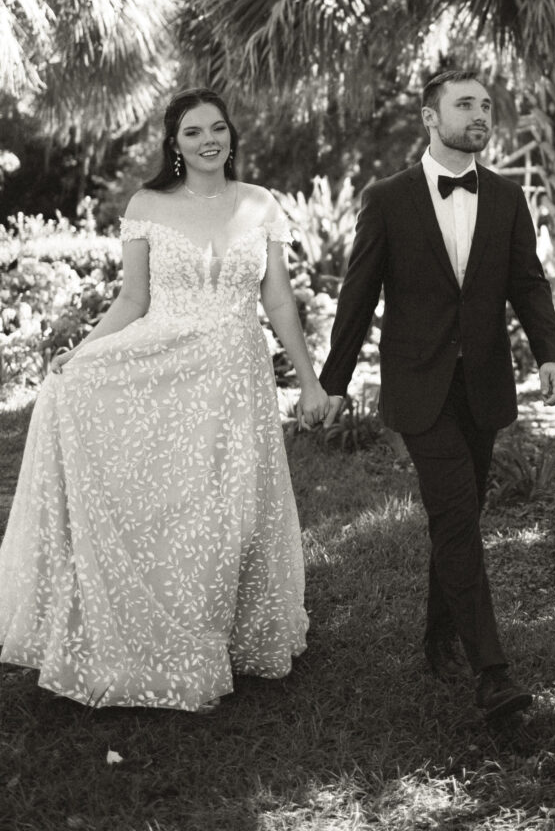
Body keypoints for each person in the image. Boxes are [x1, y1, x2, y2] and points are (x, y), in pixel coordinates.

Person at [0, 88, 329, 712]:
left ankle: (226, 637)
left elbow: (279, 300)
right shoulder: (148, 204)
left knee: (232, 504)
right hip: (164, 367)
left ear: (232, 136)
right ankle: (160, 636)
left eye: (218, 128)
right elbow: (132, 300)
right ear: (174, 146)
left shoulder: (260, 205)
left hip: (236, 374)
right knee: (175, 504)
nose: (209, 140)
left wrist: (309, 381)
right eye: (193, 132)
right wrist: (84, 353)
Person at [320, 70, 555, 722]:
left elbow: (527, 281)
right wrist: (333, 382)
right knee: (456, 515)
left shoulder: (509, 197)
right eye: (465, 105)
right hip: (418, 385)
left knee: (456, 519)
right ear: (431, 118)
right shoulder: (387, 198)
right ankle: (492, 672)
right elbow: (359, 291)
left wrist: (550, 352)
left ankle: (437, 633)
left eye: (486, 106)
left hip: (483, 385)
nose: (480, 115)